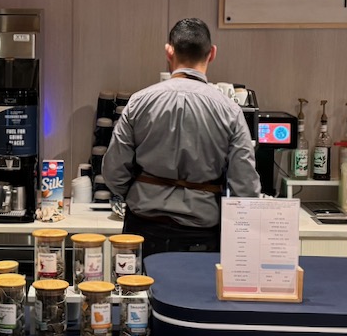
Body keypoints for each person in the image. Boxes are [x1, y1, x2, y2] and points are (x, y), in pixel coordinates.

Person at [101, 18, 260, 255]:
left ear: (169, 51)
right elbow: (245, 187)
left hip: (142, 228)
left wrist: (140, 192)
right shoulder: (230, 111)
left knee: (138, 291)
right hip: (201, 235)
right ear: (212, 53)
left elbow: (113, 171)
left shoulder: (139, 102)